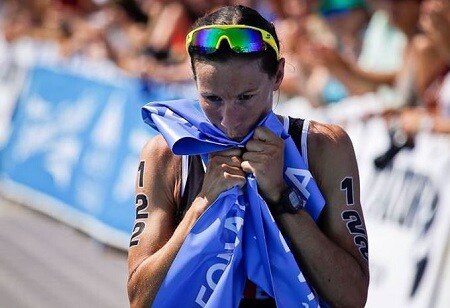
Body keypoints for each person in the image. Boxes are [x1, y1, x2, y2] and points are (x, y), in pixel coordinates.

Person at [127, 5, 369, 307]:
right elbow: (140, 299)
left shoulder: (323, 147)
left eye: (245, 98)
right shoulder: (167, 154)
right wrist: (200, 207)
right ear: (193, 78)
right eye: (211, 98)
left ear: (278, 75)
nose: (229, 120)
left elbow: (353, 297)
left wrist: (282, 197)